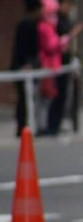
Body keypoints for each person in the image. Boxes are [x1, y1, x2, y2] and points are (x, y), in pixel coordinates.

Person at [37, 0, 83, 135]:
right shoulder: (46, 26)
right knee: (50, 97)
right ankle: (49, 126)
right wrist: (70, 36)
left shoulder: (56, 23)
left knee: (59, 96)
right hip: (51, 66)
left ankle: (54, 125)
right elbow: (53, 45)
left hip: (58, 65)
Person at [10, 0, 42, 137]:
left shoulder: (26, 24)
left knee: (25, 99)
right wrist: (27, 63)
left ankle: (25, 127)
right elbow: (26, 48)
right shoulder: (29, 25)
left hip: (22, 64)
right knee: (24, 99)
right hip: (23, 66)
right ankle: (23, 127)